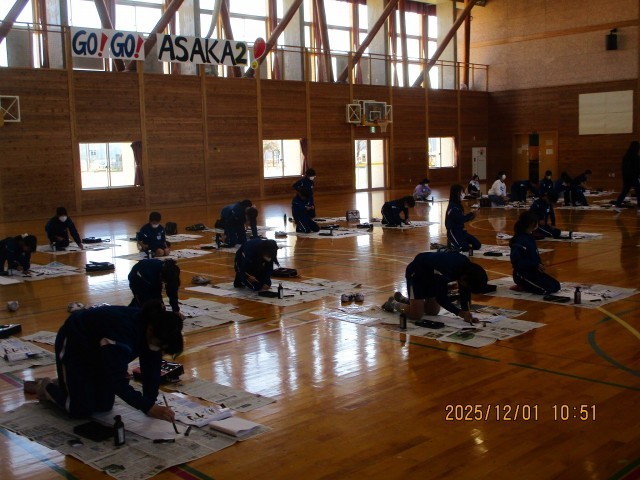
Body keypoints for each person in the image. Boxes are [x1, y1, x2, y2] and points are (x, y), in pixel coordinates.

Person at [27, 301, 183, 421]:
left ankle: (68, 382)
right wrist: (147, 407)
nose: (160, 351)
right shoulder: (122, 331)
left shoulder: (156, 334)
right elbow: (115, 379)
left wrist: (150, 402)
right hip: (75, 345)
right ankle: (46, 386)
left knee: (104, 405)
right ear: (150, 330)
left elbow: (151, 370)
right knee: (80, 409)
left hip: (101, 353)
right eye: (160, 347)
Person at [382, 251, 489, 325]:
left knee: (432, 311)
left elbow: (464, 290)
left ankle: (406, 300)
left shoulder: (466, 269)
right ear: (465, 278)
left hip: (432, 275)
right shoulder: (448, 269)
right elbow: (441, 298)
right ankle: (392, 304)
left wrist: (466, 312)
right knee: (416, 314)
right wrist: (459, 313)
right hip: (416, 274)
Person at [510, 211, 560, 295]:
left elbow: (535, 255)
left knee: (556, 286)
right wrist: (534, 265)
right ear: (530, 224)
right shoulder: (519, 240)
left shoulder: (530, 237)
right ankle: (522, 285)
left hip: (534, 271)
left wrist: (539, 264)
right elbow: (516, 262)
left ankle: (529, 284)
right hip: (522, 274)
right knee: (546, 289)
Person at [445, 184, 481, 252]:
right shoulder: (452, 207)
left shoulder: (458, 204)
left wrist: (472, 215)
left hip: (461, 231)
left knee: (477, 245)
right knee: (463, 248)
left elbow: (462, 218)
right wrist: (471, 214)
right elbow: (461, 219)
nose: (463, 194)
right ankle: (451, 241)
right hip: (453, 231)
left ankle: (461, 242)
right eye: (462, 192)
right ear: (457, 193)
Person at [613, 141, 640, 214]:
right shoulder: (636, 157)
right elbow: (637, 168)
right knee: (638, 192)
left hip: (626, 178)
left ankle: (617, 206)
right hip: (634, 177)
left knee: (624, 192)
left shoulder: (625, 156)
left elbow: (623, 168)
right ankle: (639, 207)